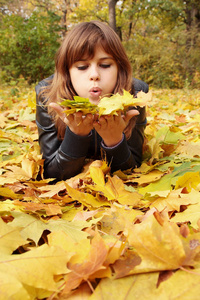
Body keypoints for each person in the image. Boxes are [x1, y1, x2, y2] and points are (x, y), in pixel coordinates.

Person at [35, 20, 148, 181]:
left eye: (105, 65)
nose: (94, 75)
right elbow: (51, 175)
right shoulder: (47, 95)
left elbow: (133, 171)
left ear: (119, 68)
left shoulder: (135, 94)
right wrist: (76, 135)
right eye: (82, 67)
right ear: (67, 71)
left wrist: (114, 141)